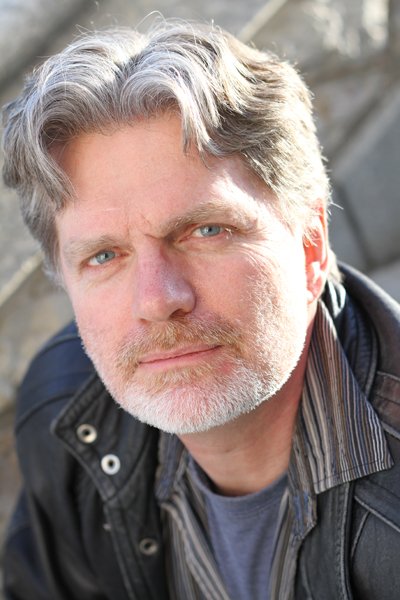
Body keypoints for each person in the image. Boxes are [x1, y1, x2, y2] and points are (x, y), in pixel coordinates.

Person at [2, 19, 400, 600]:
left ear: (311, 246)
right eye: (105, 255)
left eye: (206, 230)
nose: (158, 300)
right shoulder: (64, 410)